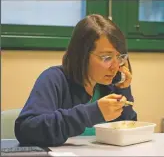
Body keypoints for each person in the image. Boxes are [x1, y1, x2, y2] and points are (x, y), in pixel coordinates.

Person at [14, 14, 137, 147]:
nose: (115, 67)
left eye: (119, 57)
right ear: (82, 55)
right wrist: (93, 113)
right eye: (106, 57)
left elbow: (127, 132)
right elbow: (27, 130)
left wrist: (123, 90)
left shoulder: (111, 85)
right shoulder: (54, 79)